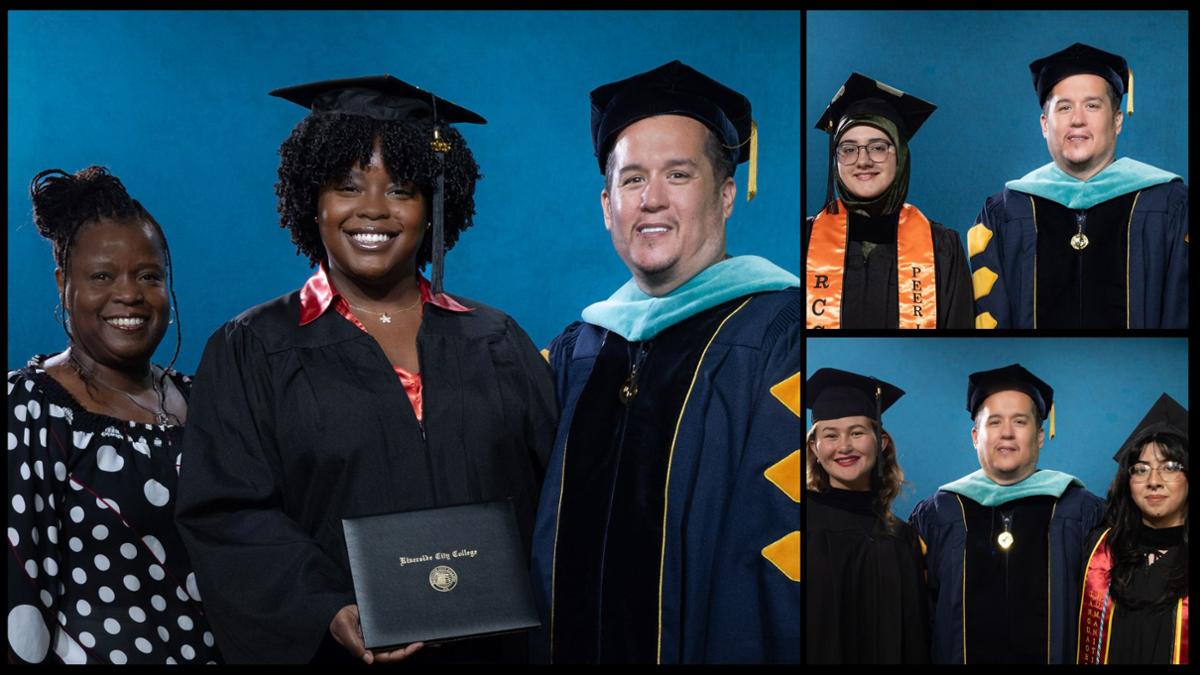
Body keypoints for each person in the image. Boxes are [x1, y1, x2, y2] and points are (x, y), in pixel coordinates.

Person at [173, 75, 556, 665]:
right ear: (313, 203)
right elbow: (227, 515)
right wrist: (323, 608)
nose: (373, 209)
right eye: (347, 186)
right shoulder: (253, 348)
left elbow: (555, 505)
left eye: (401, 189)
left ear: (433, 208)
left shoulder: (497, 340)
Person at [529, 60, 800, 664]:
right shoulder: (578, 349)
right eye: (631, 180)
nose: (651, 200)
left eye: (679, 175)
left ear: (726, 195)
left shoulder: (779, 338)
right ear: (607, 205)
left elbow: (778, 563)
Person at [8, 166, 220, 664]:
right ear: (64, 283)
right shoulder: (31, 408)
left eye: (149, 276)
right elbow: (17, 588)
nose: (129, 295)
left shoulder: (208, 402)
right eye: (102, 276)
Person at [969, 43, 1188, 329]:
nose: (1077, 120)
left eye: (1092, 105)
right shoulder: (1005, 212)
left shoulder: (1170, 204)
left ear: (1117, 120)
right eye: (1064, 107)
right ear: (1045, 124)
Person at [909, 363, 1104, 663]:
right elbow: (917, 615)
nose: (1008, 433)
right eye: (995, 422)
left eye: (1020, 422)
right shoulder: (938, 514)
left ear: (1039, 436)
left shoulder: (1079, 509)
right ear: (976, 436)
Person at [805, 73, 973, 329]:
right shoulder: (805, 239)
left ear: (901, 156)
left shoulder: (942, 247)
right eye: (848, 149)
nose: (863, 160)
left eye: (878, 147)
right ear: (835, 160)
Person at [804, 368, 929, 663]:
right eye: (830, 435)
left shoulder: (903, 538)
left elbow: (916, 638)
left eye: (857, 432)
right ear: (815, 447)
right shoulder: (797, 524)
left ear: (880, 441)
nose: (844, 446)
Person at [1078, 393, 1189, 664]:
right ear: (1128, 481)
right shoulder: (1100, 549)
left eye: (1171, 467)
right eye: (1141, 469)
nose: (1154, 480)